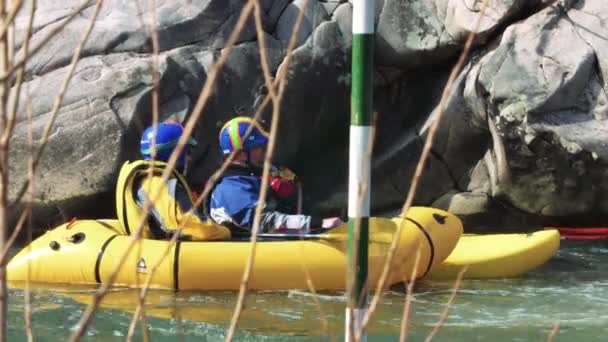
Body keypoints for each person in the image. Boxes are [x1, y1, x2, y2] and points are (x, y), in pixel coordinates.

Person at [209, 116, 343, 235]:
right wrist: (316, 223)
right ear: (241, 154)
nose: (265, 152)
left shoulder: (257, 176)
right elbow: (262, 221)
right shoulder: (230, 188)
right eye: (260, 147)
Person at [114, 120, 231, 241]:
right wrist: (226, 231)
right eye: (187, 150)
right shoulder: (159, 184)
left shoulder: (147, 181)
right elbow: (198, 229)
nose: (189, 156)